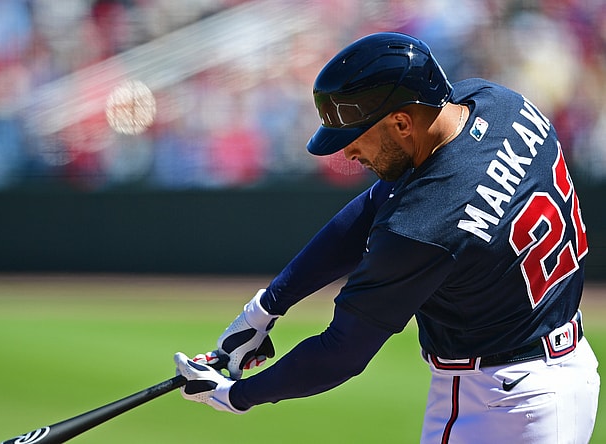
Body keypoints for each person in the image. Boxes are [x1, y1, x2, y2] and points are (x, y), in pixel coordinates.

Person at [174, 32, 599, 443]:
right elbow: (373, 208)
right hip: (548, 369)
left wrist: (234, 396)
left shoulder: (425, 226)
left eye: (354, 138)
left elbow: (341, 352)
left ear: (400, 121)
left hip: (504, 406)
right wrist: (265, 308)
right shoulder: (497, 102)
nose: (348, 154)